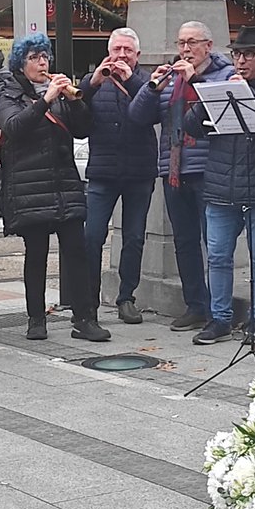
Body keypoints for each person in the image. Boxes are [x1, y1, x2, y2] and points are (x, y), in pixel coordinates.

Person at [0, 34, 110, 342]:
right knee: (37, 253)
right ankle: (36, 318)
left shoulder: (59, 94)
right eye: (34, 57)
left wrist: (76, 101)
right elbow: (14, 128)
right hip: (30, 185)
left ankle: (85, 318)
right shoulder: (8, 93)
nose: (42, 62)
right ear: (21, 63)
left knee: (77, 249)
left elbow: (83, 129)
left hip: (63, 183)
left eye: (45, 56)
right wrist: (45, 100)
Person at [184, 26, 255, 345]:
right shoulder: (220, 82)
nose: (241, 61)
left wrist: (250, 96)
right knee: (217, 255)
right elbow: (191, 126)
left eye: (249, 55)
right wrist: (210, 97)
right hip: (220, 185)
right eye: (237, 54)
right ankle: (219, 319)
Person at [130, 21, 235, 332]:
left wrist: (197, 80)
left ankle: (219, 311)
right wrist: (153, 88)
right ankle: (196, 306)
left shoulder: (223, 74)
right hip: (174, 170)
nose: (186, 50)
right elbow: (137, 117)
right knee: (184, 242)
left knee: (214, 245)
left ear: (209, 45)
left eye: (192, 42)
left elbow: (221, 113)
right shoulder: (171, 78)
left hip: (209, 170)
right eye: (181, 43)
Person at [80, 28, 156, 325]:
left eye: (128, 50)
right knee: (92, 236)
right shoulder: (96, 80)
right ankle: (89, 301)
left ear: (138, 55)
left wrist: (131, 79)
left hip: (139, 171)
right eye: (117, 50)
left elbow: (153, 110)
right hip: (102, 171)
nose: (121, 55)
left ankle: (127, 297)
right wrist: (93, 82)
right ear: (108, 52)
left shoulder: (147, 80)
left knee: (134, 238)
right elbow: (76, 109)